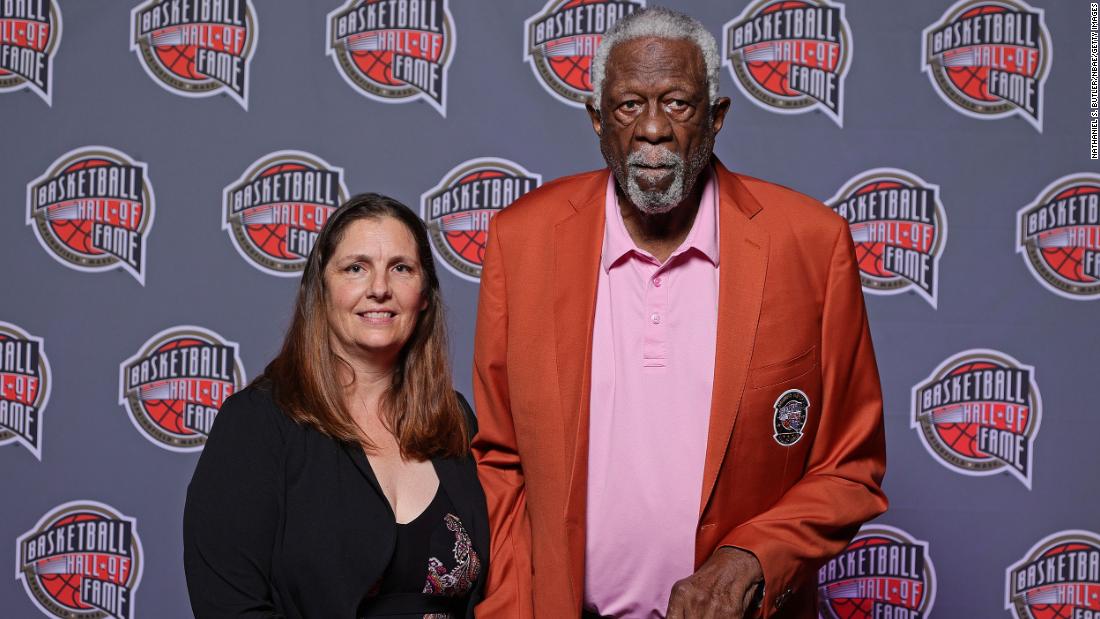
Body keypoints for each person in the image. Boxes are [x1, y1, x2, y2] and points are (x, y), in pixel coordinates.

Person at [472, 7, 887, 619]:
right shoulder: (523, 241)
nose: (653, 129)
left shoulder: (810, 245)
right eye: (628, 106)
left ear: (716, 119)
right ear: (596, 121)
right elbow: (501, 462)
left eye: (678, 104)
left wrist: (750, 558)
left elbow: (850, 469)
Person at [184, 194, 488, 618]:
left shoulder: (452, 419)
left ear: (424, 296)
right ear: (321, 289)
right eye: (355, 268)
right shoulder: (259, 422)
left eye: (401, 268)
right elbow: (229, 606)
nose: (379, 289)